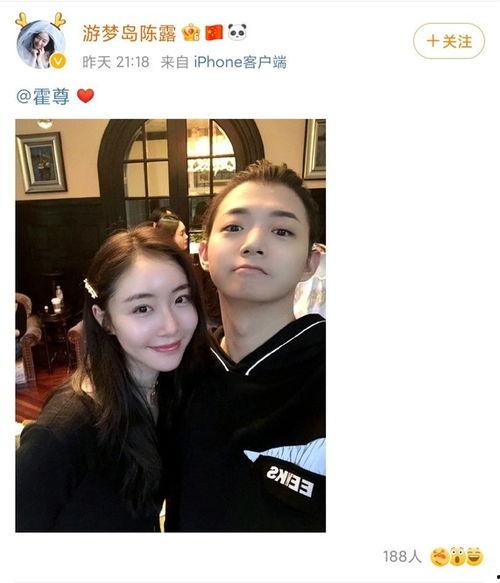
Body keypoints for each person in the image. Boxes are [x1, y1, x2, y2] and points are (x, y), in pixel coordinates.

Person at [166, 160, 326, 532]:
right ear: (204, 253)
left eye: (282, 231)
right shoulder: (178, 368)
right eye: (234, 227)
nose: (253, 244)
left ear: (310, 262)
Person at [16, 225, 209, 532]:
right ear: (104, 320)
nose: (171, 326)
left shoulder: (169, 389)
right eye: (143, 308)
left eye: (181, 299)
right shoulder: (65, 430)